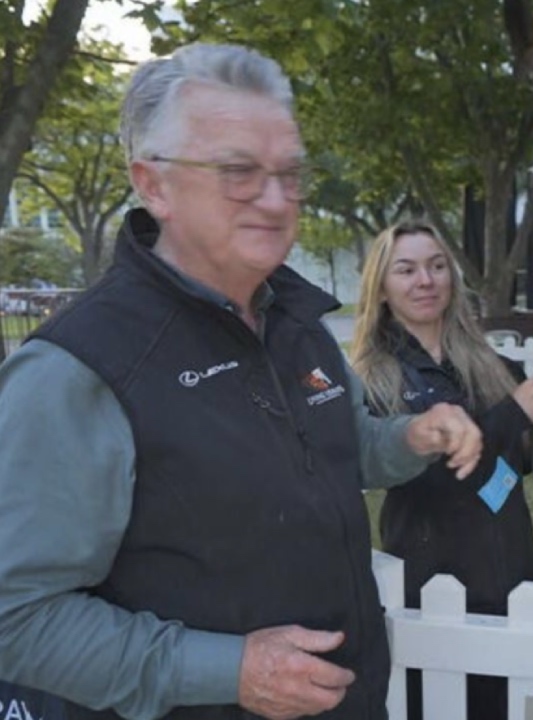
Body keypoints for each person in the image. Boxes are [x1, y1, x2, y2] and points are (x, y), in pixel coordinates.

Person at [0, 44, 484, 720]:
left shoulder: (299, 319)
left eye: (291, 173)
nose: (276, 198)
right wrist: (230, 671)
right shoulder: (78, 368)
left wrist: (410, 436)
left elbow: (346, 453)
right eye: (237, 171)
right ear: (153, 184)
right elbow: (16, 620)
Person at [350, 219, 533, 720]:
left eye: (437, 266)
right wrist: (511, 414)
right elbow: (428, 478)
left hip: (513, 579)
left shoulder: (491, 364)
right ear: (383, 288)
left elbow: (523, 461)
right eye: (407, 269)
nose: (426, 280)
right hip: (434, 589)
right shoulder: (374, 381)